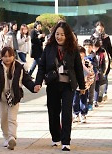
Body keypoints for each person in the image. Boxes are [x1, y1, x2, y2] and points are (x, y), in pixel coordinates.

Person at [35, 21, 85, 151]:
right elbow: (42, 66)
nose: (59, 37)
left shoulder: (73, 49)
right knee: (53, 112)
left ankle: (66, 141)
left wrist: (82, 86)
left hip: (68, 85)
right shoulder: (49, 47)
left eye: (62, 34)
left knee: (67, 112)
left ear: (67, 35)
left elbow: (78, 68)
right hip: (53, 84)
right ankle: (55, 137)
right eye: (57, 34)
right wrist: (38, 82)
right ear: (54, 34)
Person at [0, 47, 39, 150]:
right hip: (1, 98)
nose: (7, 59)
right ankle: (6, 137)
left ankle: (12, 137)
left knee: (12, 119)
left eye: (10, 56)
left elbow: (26, 80)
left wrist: (34, 87)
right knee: (3, 119)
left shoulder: (19, 67)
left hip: (14, 97)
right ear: (1, 57)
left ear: (13, 56)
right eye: (5, 56)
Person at [90, 21, 112, 101]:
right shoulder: (93, 37)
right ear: (96, 28)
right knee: (96, 76)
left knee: (105, 75)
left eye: (101, 29)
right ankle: (96, 95)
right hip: (96, 57)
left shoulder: (106, 37)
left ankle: (104, 92)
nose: (100, 30)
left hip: (105, 57)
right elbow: (90, 47)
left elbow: (110, 48)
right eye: (99, 29)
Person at [72, 46, 95, 123]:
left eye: (82, 53)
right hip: (75, 86)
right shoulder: (72, 63)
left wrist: (88, 83)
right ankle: (76, 114)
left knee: (84, 101)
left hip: (85, 85)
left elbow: (92, 74)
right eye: (78, 53)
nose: (80, 54)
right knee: (75, 101)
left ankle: (83, 114)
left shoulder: (87, 62)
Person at [92, 39, 108, 106]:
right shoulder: (89, 54)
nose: (95, 48)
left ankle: (95, 101)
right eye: (94, 47)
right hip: (90, 73)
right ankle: (90, 100)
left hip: (98, 73)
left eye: (97, 47)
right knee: (90, 88)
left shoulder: (101, 54)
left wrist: (102, 71)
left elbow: (103, 64)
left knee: (97, 86)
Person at [83, 39, 98, 110]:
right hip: (84, 76)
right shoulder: (82, 55)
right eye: (86, 47)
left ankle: (90, 103)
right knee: (84, 89)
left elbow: (96, 65)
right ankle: (84, 103)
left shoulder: (93, 56)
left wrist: (91, 64)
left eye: (89, 47)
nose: (88, 48)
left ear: (92, 47)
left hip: (92, 76)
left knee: (91, 90)